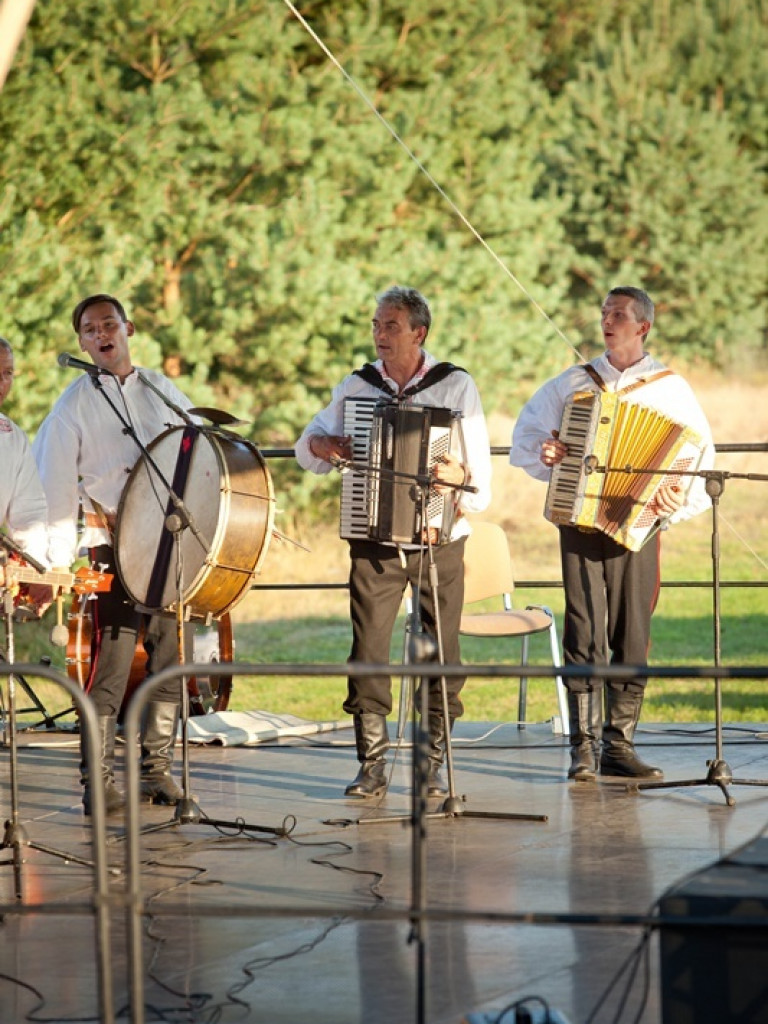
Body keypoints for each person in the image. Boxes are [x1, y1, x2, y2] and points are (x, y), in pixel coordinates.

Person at [510, 286, 715, 781]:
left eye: (618, 314)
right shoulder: (574, 382)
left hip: (638, 526)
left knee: (632, 632)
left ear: (642, 326)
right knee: (583, 628)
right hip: (579, 517)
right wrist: (549, 452)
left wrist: (676, 497)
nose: (607, 320)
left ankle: (618, 746)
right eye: (604, 313)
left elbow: (701, 463)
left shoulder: (670, 388)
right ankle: (583, 748)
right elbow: (527, 436)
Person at [295, 286, 492, 798]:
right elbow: (306, 446)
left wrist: (458, 473)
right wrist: (324, 443)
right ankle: (373, 764)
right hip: (373, 537)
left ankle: (433, 763)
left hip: (437, 540)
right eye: (377, 326)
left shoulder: (454, 386)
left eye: (391, 326)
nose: (380, 335)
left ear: (418, 333)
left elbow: (482, 484)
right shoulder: (357, 386)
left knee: (441, 653)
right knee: (369, 648)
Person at [33, 295, 196, 815]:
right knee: (113, 665)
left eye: (109, 324)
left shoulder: (159, 389)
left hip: (167, 546)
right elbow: (55, 489)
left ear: (128, 328)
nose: (101, 334)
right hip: (112, 548)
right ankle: (97, 781)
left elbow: (195, 446)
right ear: (81, 342)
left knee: (170, 661)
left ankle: (156, 773)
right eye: (89, 329)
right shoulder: (71, 407)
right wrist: (58, 562)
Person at [0, 337, 52, 611]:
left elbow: (29, 514)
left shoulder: (11, 437)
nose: (1, 383)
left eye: (7, 373)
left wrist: (35, 570)